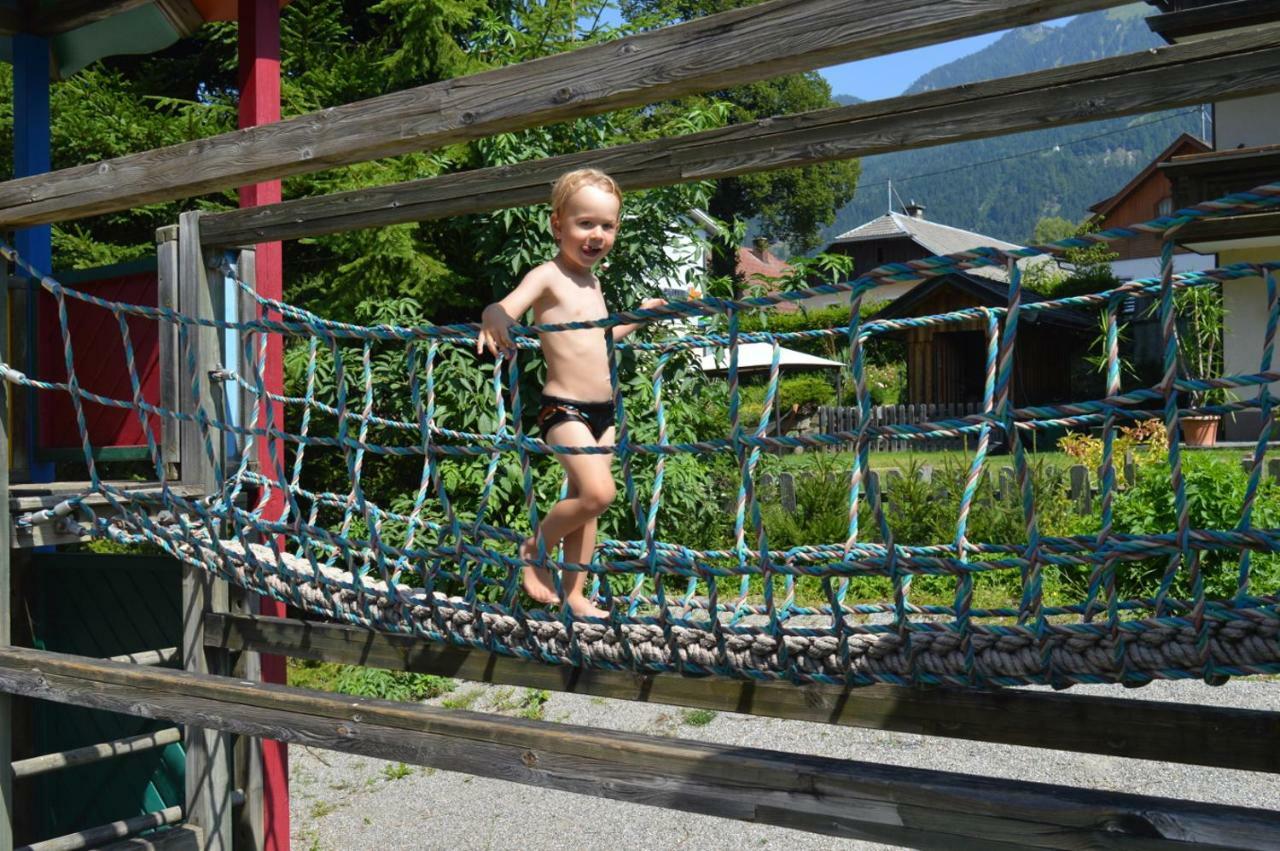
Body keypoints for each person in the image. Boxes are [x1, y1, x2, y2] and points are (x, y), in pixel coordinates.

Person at [476, 168, 664, 618]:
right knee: (599, 493)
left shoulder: (594, 283)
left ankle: (575, 594)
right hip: (564, 410)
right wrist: (495, 318)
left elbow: (601, 339)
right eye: (585, 223)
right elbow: (504, 306)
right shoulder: (548, 276)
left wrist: (640, 315)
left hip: (604, 412)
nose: (597, 235)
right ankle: (534, 549)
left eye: (608, 226)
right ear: (557, 224)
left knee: (588, 507)